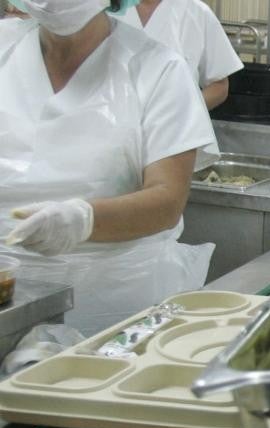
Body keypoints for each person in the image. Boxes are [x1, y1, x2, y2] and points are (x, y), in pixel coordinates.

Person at [0, 0, 216, 335]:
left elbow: (167, 200)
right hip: (7, 306)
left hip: (113, 318)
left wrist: (84, 219)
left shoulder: (158, 69)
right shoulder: (5, 49)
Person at [116, 0, 242, 110]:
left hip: (175, 132)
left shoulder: (197, 12)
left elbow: (219, 85)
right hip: (111, 126)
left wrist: (186, 112)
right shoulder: (107, 10)